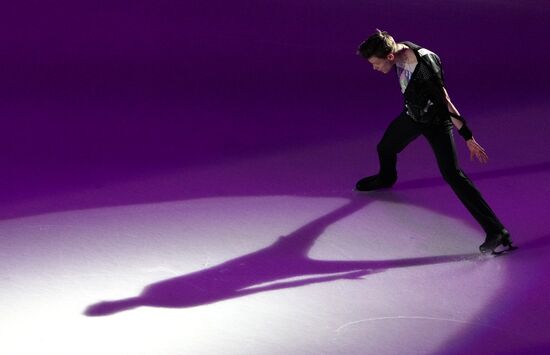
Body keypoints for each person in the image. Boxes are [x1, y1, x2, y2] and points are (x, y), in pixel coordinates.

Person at [355, 29, 516, 254]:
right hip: (412, 115)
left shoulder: (425, 66)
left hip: (436, 122)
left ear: (389, 57)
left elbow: (446, 103)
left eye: (376, 64)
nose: (375, 68)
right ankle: (386, 178)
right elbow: (385, 40)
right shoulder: (395, 47)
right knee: (385, 147)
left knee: (452, 174)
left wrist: (467, 136)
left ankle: (497, 231)